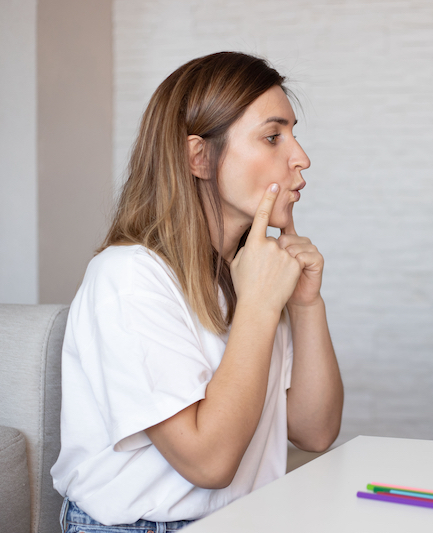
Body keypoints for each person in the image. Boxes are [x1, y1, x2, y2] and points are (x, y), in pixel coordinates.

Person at [51, 51, 344, 532]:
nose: (301, 158)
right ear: (199, 157)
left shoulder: (249, 272)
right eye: (273, 137)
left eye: (293, 134)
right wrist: (258, 307)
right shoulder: (128, 278)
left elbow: (314, 432)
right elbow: (209, 464)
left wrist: (306, 303)